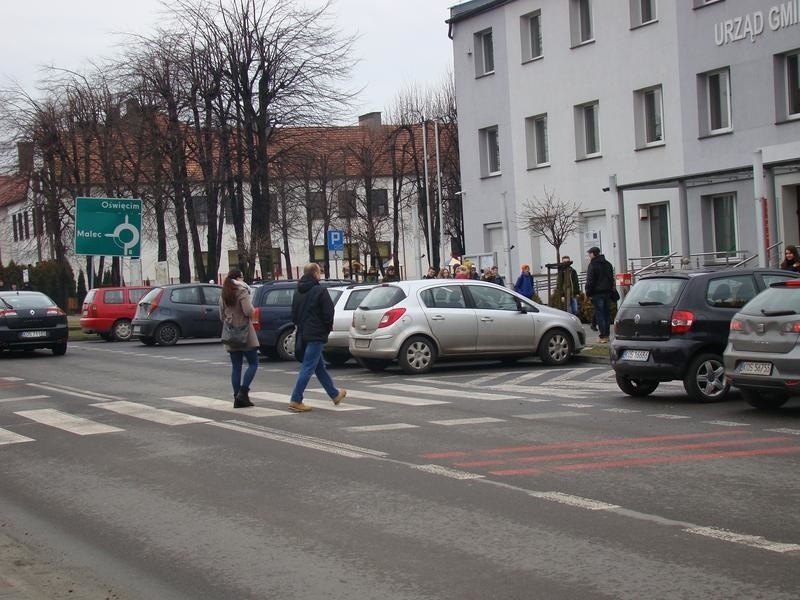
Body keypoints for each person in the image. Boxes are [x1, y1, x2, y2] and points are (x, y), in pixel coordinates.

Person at [288, 263, 346, 412]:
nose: (320, 275)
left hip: (303, 332)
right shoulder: (320, 290)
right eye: (319, 272)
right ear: (315, 273)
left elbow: (294, 314)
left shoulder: (298, 291)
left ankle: (334, 394)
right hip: (316, 334)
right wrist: (325, 329)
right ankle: (296, 399)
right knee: (308, 367)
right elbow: (329, 312)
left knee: (318, 366)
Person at [219, 268, 259, 408]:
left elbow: (221, 315)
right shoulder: (242, 291)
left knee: (236, 367)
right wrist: (252, 311)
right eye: (242, 277)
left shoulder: (224, 293)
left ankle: (237, 397)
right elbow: (248, 311)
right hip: (244, 331)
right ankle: (243, 393)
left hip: (230, 333)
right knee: (253, 363)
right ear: (238, 278)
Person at [585, 246, 615, 344]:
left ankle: (603, 336)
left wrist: (588, 292)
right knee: (606, 314)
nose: (589, 256)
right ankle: (607, 335)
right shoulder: (608, 264)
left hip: (597, 293)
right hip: (607, 292)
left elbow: (590, 281)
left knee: (600, 315)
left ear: (593, 254)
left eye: (589, 254)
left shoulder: (592, 265)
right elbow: (612, 279)